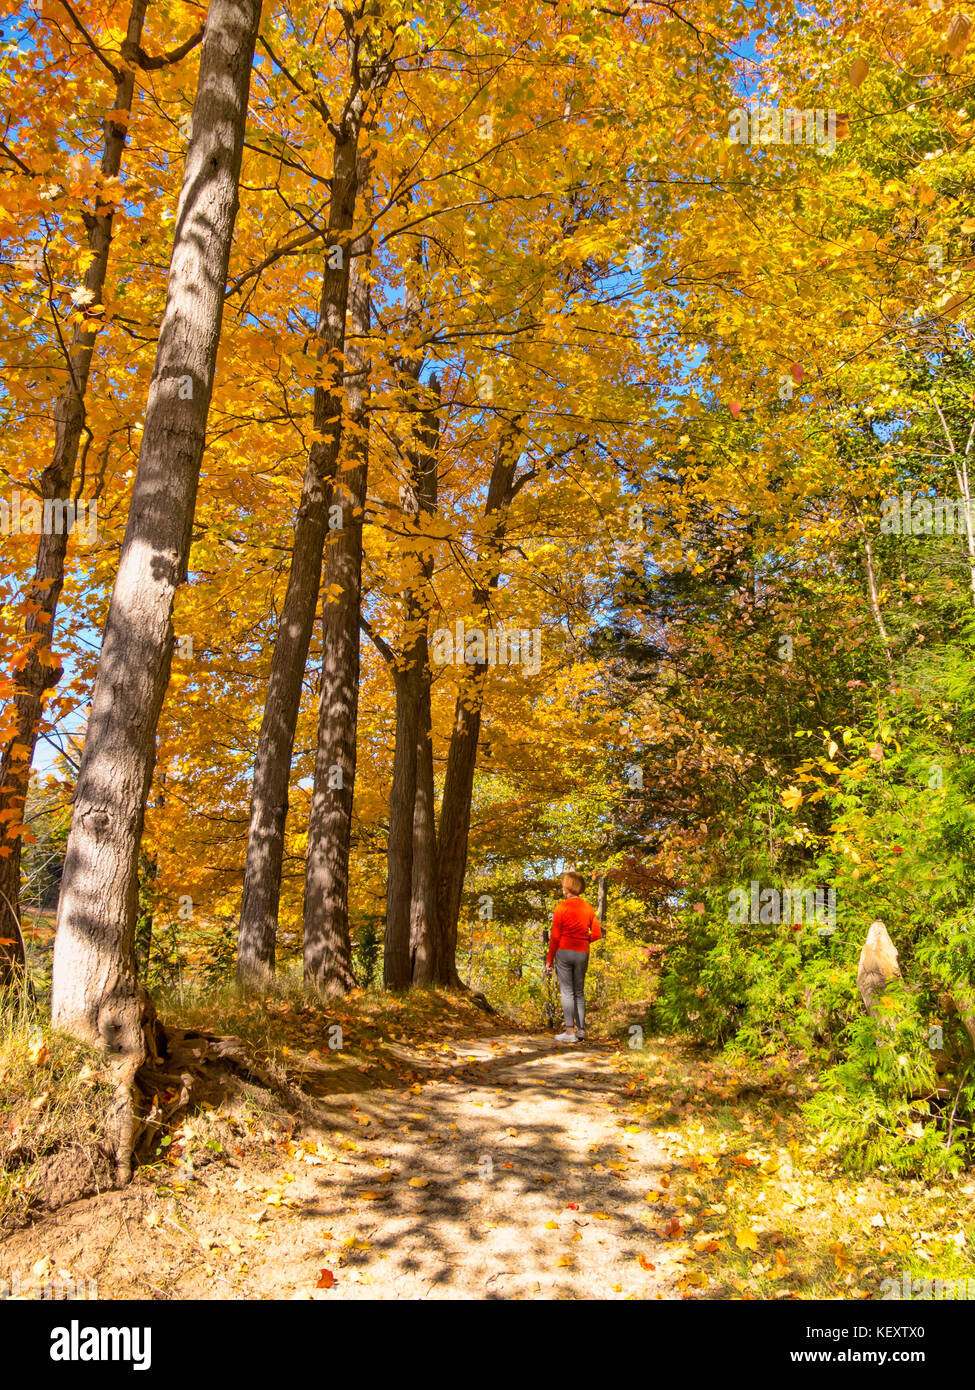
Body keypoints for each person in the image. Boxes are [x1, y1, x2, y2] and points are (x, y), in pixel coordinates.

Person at [544, 869, 601, 1043]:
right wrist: (583, 940)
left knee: (567, 992)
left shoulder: (561, 907)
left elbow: (555, 937)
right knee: (579, 991)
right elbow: (597, 934)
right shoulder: (588, 907)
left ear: (568, 887)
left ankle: (570, 1033)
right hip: (582, 952)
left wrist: (549, 960)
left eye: (564, 884)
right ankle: (581, 1030)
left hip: (564, 951)